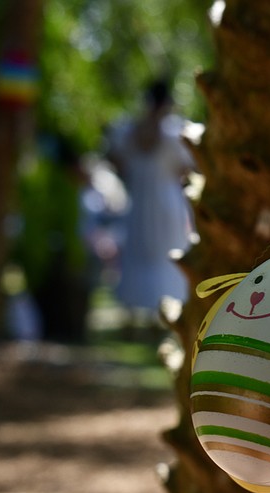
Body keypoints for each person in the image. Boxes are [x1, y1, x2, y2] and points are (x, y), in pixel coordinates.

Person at [106, 80, 198, 327]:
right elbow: (187, 167)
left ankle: (141, 316)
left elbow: (115, 160)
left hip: (140, 200)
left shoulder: (128, 130)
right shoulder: (174, 132)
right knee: (165, 252)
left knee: (143, 250)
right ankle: (160, 314)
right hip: (166, 201)